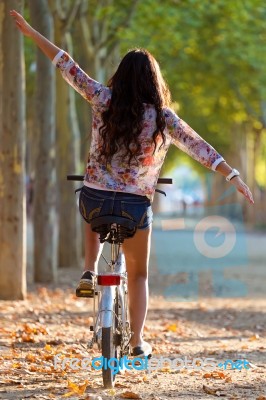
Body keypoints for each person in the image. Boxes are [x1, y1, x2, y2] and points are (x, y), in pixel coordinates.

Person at [10, 10, 254, 358]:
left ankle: (88, 269)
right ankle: (138, 342)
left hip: (95, 200)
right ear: (154, 82)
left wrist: (33, 32)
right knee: (138, 276)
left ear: (120, 77)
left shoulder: (102, 99)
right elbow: (199, 147)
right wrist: (232, 174)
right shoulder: (163, 118)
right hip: (135, 208)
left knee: (91, 202)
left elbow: (67, 65)